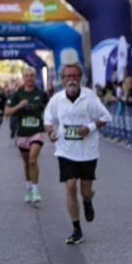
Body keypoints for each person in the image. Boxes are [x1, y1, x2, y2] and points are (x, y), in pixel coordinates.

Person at [43, 62, 112, 245]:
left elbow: (106, 117)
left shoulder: (90, 97)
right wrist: (50, 132)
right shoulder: (56, 100)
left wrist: (89, 127)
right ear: (62, 80)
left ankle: (87, 200)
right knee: (70, 186)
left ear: (80, 78)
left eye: (75, 76)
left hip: (88, 152)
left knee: (85, 192)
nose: (71, 79)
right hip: (65, 151)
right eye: (68, 76)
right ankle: (76, 229)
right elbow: (48, 120)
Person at [5, 67, 50, 205]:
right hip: (23, 133)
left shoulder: (41, 94)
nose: (29, 78)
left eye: (32, 76)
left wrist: (49, 125)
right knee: (26, 163)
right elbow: (7, 112)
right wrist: (19, 105)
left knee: (32, 160)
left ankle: (35, 190)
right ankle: (28, 187)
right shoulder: (17, 94)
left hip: (37, 131)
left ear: (35, 77)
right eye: (27, 76)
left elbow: (50, 109)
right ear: (23, 78)